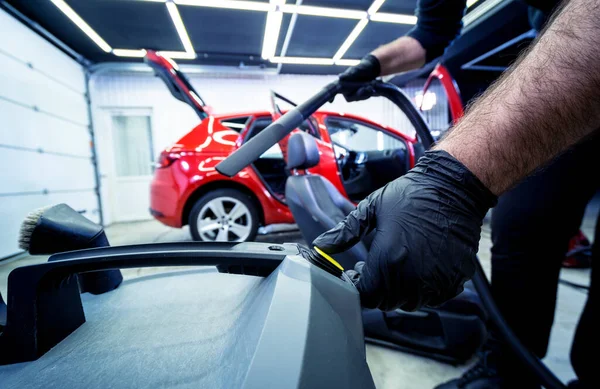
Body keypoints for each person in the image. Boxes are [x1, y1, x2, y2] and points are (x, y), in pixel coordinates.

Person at [313, 0, 599, 388]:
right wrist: (372, 64)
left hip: (580, 46)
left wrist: (450, 180)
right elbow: (430, 34)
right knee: (520, 224)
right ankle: (510, 370)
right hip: (564, 64)